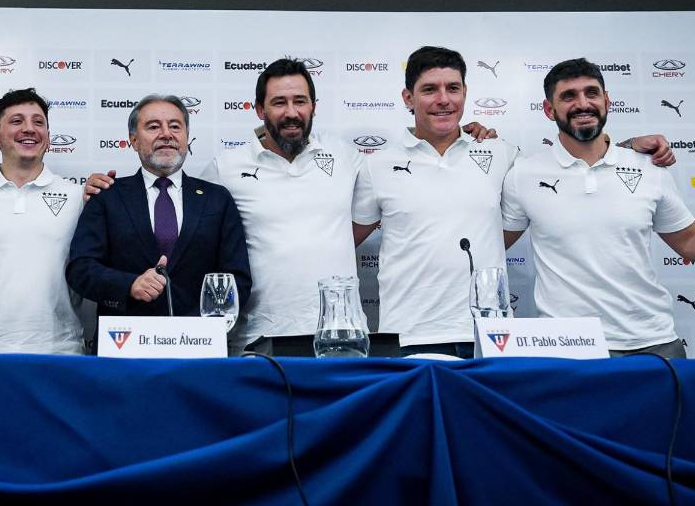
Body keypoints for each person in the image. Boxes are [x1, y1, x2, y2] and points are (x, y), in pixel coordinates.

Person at [88, 59, 492, 353]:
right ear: (259, 111)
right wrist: (100, 188)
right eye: (279, 103)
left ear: (314, 107)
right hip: (259, 337)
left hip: (339, 335)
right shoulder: (225, 168)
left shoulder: (350, 157)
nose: (291, 112)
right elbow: (182, 219)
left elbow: (416, 179)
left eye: (301, 101)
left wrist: (472, 137)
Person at [355, 47, 676, 358]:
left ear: (465, 93)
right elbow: (344, 241)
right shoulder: (376, 165)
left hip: (489, 335)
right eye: (429, 89)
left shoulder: (502, 154)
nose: (443, 99)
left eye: (453, 88)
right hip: (407, 336)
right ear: (408, 98)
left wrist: (626, 147)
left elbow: (570, 167)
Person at [502, 58, 695, 358]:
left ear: (606, 102)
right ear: (549, 109)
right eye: (569, 96)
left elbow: (692, 242)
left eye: (591, 93)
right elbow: (490, 243)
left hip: (653, 344)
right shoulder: (523, 175)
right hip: (569, 348)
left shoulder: (649, 168)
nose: (583, 103)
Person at [67, 94, 252, 337]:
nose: (166, 134)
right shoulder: (106, 197)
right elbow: (81, 268)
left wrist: (202, 326)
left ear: (186, 136)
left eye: (175, 126)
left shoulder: (217, 199)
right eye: (153, 127)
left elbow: (237, 277)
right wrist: (129, 285)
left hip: (199, 346)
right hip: (126, 345)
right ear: (133, 140)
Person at [0, 88, 84, 354]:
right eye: (16, 121)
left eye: (38, 122)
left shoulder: (77, 197)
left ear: (47, 137)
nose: (29, 128)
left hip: (59, 351)